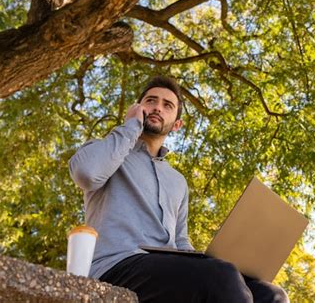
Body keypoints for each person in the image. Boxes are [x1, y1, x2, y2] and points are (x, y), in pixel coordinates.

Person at [69, 75, 289, 303]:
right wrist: (131, 126)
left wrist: (211, 259)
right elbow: (87, 173)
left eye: (167, 105)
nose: (157, 107)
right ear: (137, 108)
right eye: (150, 101)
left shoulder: (177, 181)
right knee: (220, 277)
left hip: (167, 273)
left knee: (271, 294)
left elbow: (181, 241)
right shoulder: (108, 150)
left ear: (176, 124)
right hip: (116, 266)